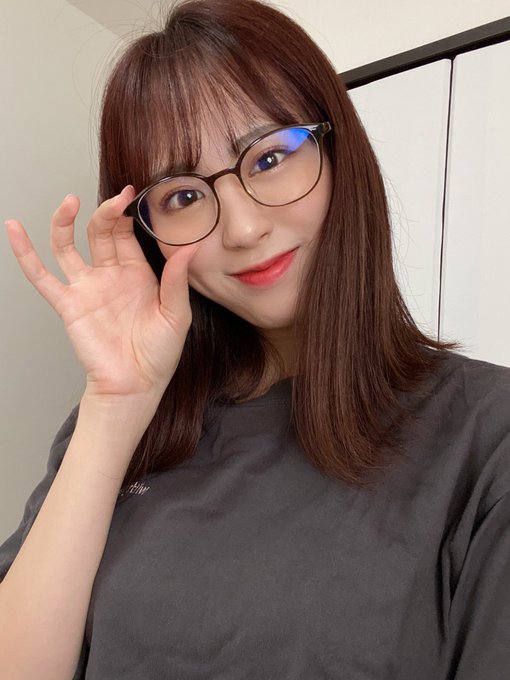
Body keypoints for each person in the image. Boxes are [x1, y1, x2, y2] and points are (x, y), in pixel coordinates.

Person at [1, 0, 509, 677]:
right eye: (183, 197)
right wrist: (114, 405)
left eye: (270, 157)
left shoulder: (487, 435)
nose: (242, 229)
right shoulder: (112, 426)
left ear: (338, 152)